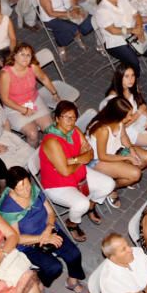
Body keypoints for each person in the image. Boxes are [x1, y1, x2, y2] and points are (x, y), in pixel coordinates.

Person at [0, 166, 87, 293]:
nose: (26, 191)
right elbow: (16, 238)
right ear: (11, 188)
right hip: (28, 244)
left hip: (47, 230)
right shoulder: (8, 208)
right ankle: (38, 280)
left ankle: (72, 281)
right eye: (20, 188)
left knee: (74, 254)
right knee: (54, 268)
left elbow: (50, 212)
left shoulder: (34, 190)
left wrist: (48, 228)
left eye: (27, 185)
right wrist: (42, 238)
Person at [38, 100, 114, 242]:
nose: (71, 121)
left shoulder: (75, 130)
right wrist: (80, 159)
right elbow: (65, 172)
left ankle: (92, 205)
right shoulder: (51, 141)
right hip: (57, 184)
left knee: (108, 184)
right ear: (57, 118)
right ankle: (72, 223)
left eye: (74, 117)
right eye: (67, 117)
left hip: (78, 172)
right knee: (81, 204)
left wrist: (72, 160)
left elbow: (90, 153)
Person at [85, 98, 147, 205]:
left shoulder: (119, 121)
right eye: (129, 115)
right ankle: (111, 188)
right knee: (136, 174)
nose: (132, 117)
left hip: (115, 151)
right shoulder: (103, 130)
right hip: (97, 160)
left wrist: (132, 150)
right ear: (118, 115)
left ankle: (120, 177)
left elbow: (124, 137)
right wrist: (127, 157)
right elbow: (102, 156)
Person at [0, 43, 60, 147]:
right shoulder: (5, 74)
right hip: (14, 107)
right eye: (22, 54)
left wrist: (54, 93)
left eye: (28, 55)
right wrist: (23, 110)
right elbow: (5, 99)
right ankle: (32, 154)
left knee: (51, 129)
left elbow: (43, 78)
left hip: (34, 100)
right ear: (14, 56)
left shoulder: (33, 66)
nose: (26, 58)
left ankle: (49, 150)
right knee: (33, 134)